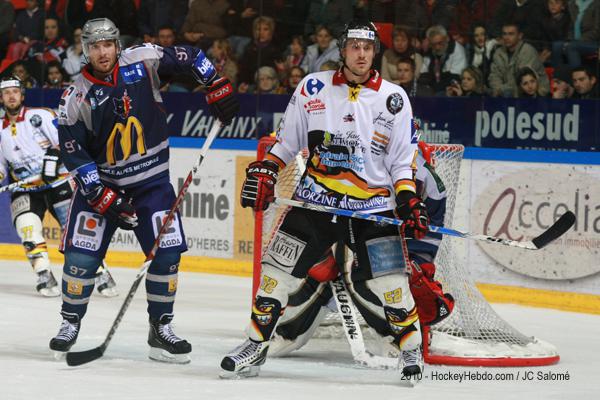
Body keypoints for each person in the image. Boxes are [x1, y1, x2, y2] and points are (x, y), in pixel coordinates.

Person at [221, 20, 428, 382]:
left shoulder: (393, 98)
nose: (361, 54)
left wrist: (408, 199)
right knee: (275, 276)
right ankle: (255, 345)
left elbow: (401, 160)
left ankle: (411, 350)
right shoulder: (312, 87)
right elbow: (286, 143)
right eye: (354, 47)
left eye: (368, 48)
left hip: (372, 207)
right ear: (342, 50)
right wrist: (268, 169)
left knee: (391, 284)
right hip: (316, 201)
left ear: (375, 52)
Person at [50, 18, 239, 361]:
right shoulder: (75, 98)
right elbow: (73, 151)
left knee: (167, 255)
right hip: (103, 186)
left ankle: (160, 328)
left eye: (108, 44)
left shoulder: (144, 59)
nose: (103, 52)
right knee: (81, 257)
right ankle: (70, 322)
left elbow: (190, 56)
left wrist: (215, 82)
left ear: (117, 45)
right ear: (86, 51)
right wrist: (99, 195)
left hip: (151, 185)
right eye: (95, 46)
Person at [268, 142, 454, 359]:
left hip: (393, 251)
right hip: (350, 237)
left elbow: (426, 240)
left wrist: (413, 264)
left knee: (366, 273)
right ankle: (283, 332)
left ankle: (399, 338)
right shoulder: (352, 158)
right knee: (320, 268)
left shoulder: (425, 181)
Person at [0, 76, 117, 298]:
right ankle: (43, 274)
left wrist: (53, 157)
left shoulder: (40, 116)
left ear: (22, 95)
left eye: (15, 91)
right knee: (27, 228)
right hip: (25, 188)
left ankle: (100, 272)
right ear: (1, 98)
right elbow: (1, 166)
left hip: (58, 183)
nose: (11, 96)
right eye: (6, 93)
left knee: (75, 231)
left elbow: (66, 140)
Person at [488, 22, 550, 97]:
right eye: (504, 34)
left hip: (535, 94)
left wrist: (502, 90)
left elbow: (522, 80)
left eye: (511, 34)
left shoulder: (528, 51)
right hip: (508, 93)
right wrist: (498, 89)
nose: (507, 37)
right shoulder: (498, 53)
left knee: (507, 93)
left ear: (520, 36)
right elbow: (494, 76)